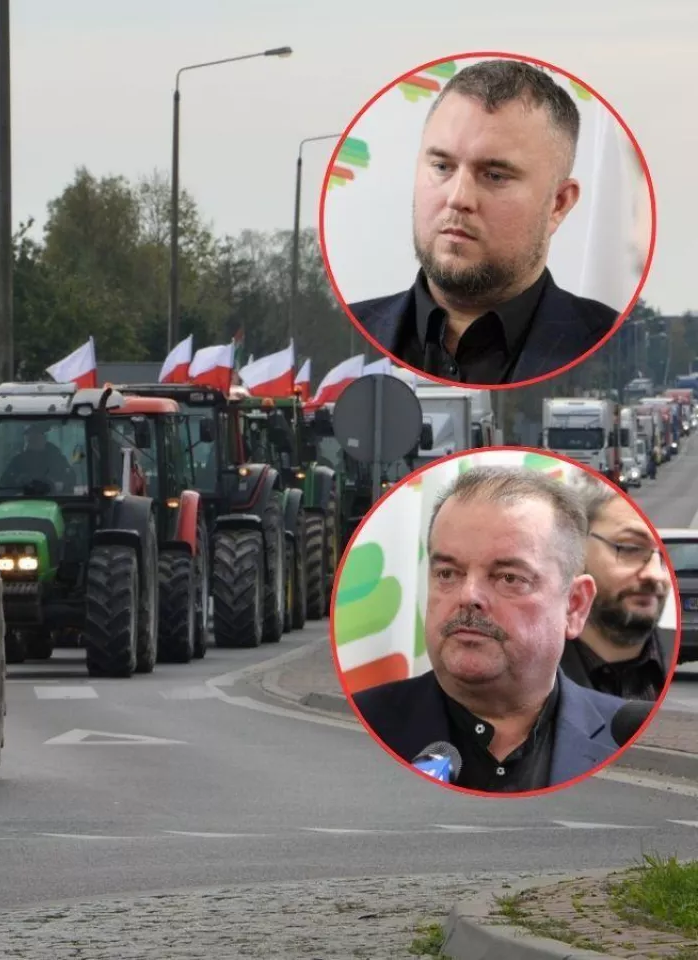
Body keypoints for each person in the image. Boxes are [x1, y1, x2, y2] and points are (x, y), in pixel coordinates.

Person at [351, 466, 627, 793]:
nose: (468, 597)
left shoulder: (623, 732)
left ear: (575, 606)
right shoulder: (365, 724)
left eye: (509, 577)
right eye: (448, 574)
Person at [347, 59, 620, 385]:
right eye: (442, 167)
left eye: (494, 175)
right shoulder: (351, 335)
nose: (458, 197)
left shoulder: (607, 345)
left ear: (558, 204)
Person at [562, 476, 673, 700]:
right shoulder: (520, 678)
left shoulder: (673, 660)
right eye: (630, 548)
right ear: (574, 550)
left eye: (662, 556)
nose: (656, 575)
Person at [0, 422, 79, 493]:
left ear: (43, 438)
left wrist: (56, 485)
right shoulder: (17, 461)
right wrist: (18, 481)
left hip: (53, 499)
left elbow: (70, 481)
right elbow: (3, 487)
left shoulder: (56, 458)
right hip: (23, 500)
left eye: (36, 436)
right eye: (29, 437)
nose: (32, 439)